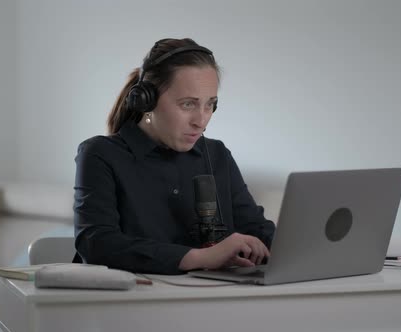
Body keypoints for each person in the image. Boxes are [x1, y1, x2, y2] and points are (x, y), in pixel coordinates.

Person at [73, 38, 276, 275]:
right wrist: (200, 257)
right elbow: (96, 243)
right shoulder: (100, 154)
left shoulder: (217, 155)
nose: (201, 120)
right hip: (132, 306)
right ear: (146, 100)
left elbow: (257, 229)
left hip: (210, 303)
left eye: (210, 105)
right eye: (188, 104)